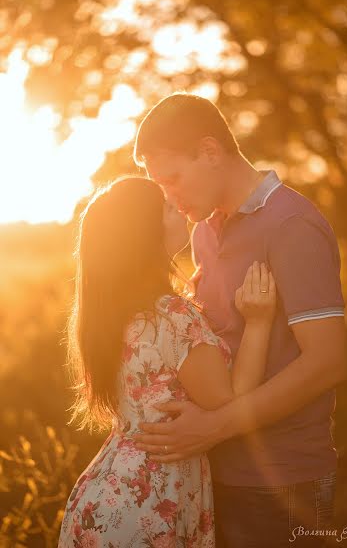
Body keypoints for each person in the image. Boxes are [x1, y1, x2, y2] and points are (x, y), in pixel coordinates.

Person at [131, 93, 347, 548]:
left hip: (286, 482)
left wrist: (214, 425)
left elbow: (328, 362)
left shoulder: (292, 225)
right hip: (215, 474)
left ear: (210, 152)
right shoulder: (205, 232)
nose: (168, 197)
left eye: (172, 179)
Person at [58, 175, 276, 548]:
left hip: (103, 498)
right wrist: (258, 323)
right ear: (145, 234)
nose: (181, 209)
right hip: (150, 504)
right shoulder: (172, 316)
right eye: (167, 207)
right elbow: (230, 399)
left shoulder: (115, 312)